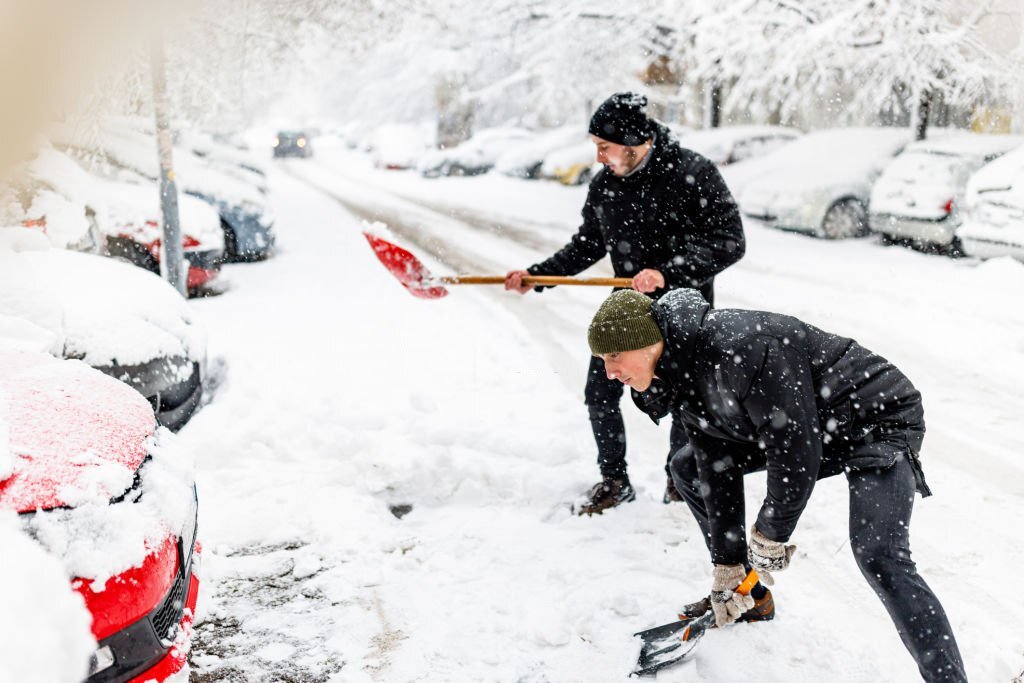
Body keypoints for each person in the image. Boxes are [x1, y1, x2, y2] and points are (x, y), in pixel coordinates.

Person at [586, 288, 967, 682]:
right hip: (814, 425)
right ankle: (751, 598)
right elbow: (714, 465)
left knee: (879, 552)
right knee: (687, 468)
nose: (610, 372)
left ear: (647, 342)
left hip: (874, 417)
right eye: (602, 361)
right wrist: (728, 564)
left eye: (614, 357)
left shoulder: (745, 348)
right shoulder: (676, 373)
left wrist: (772, 532)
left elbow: (795, 451)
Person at [505, 91, 745, 515]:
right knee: (600, 393)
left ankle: (679, 482)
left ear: (634, 144)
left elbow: (730, 242)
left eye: (604, 147)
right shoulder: (605, 186)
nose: (598, 157)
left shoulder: (693, 173)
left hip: (684, 310)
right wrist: (537, 276)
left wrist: (668, 272)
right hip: (626, 309)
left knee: (684, 404)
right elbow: (586, 245)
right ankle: (614, 481)